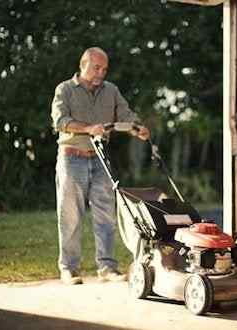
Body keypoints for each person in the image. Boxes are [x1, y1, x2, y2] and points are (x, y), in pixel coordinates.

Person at [51, 47, 150, 285]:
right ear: (83, 64)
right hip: (71, 156)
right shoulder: (65, 90)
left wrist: (138, 128)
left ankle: (106, 267)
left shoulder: (111, 91)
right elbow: (59, 121)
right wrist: (87, 128)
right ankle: (69, 269)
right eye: (97, 68)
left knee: (105, 214)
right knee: (71, 216)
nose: (101, 73)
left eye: (104, 69)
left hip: (99, 157)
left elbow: (125, 114)